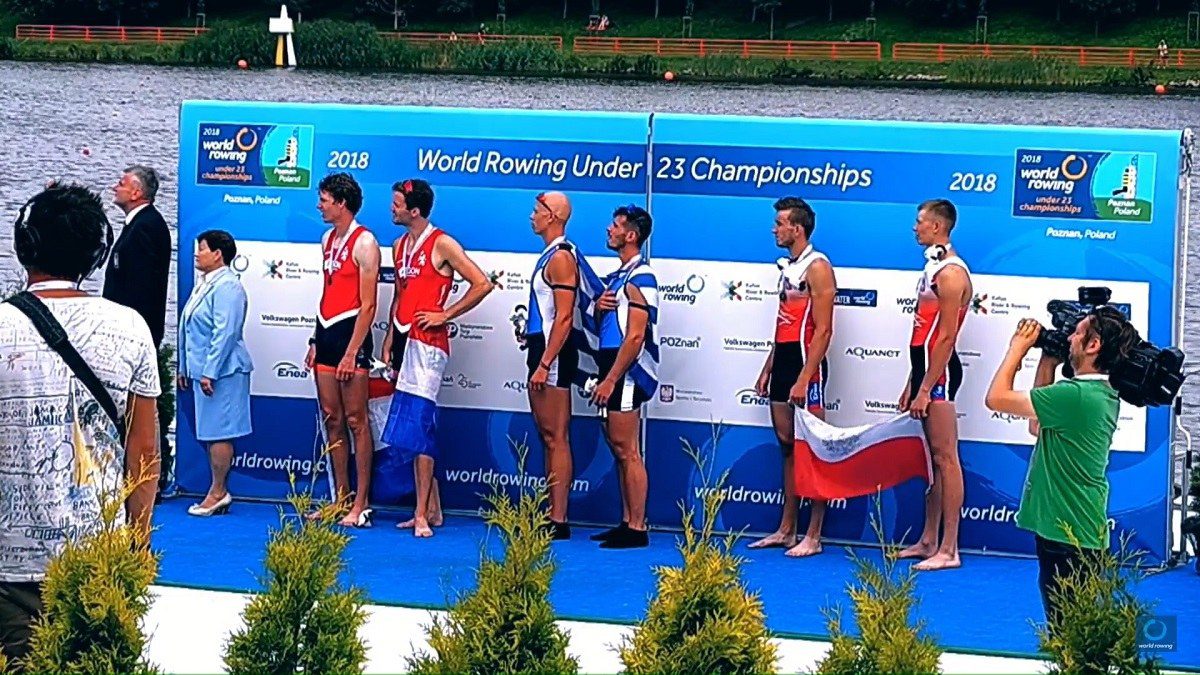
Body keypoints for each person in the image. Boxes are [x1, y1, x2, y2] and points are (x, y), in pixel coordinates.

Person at [0, 183, 160, 667]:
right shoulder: (130, 328)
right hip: (97, 556)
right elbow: (144, 453)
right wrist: (138, 544)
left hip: (9, 567)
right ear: (97, 254)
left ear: (23, 246)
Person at [984, 309, 1137, 625]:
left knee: (1069, 630)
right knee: (1070, 624)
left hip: (1069, 532)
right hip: (1071, 528)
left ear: (1093, 345)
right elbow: (1037, 426)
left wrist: (1017, 348)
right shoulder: (1095, 393)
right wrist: (1048, 362)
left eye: (1077, 333)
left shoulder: (1076, 396)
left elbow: (996, 398)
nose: (1069, 338)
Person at [380, 179, 493, 538]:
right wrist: (389, 337)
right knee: (412, 425)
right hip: (404, 336)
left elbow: (482, 283)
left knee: (420, 424)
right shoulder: (399, 246)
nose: (392, 208)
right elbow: (400, 295)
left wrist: (445, 314)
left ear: (415, 210)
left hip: (428, 345)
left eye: (397, 203)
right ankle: (433, 508)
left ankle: (421, 514)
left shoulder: (442, 243)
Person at [750, 197, 836, 557]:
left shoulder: (818, 267)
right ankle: (787, 529)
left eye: (780, 223)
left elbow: (824, 330)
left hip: (806, 365)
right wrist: (768, 367)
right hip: (784, 361)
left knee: (813, 448)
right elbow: (784, 323)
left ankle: (814, 534)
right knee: (787, 445)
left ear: (797, 229)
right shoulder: (789, 268)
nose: (774, 229)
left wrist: (805, 377)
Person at [895, 198, 972, 572]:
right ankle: (929, 539)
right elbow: (922, 337)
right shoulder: (934, 267)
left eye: (920, 221)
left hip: (939, 375)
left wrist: (926, 388)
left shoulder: (952, 273)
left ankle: (950, 548)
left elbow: (945, 338)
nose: (915, 228)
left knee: (946, 459)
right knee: (933, 461)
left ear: (938, 227)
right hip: (926, 373)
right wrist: (912, 383)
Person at [306, 172, 381, 528]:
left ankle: (361, 503)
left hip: (352, 334)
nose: (319, 206)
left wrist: (352, 352)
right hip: (327, 333)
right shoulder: (327, 239)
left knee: (356, 420)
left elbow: (369, 305)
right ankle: (341, 497)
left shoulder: (365, 242)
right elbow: (328, 290)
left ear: (342, 203)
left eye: (324, 200)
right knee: (331, 417)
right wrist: (314, 339)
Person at [588, 204, 658, 550]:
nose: (609, 230)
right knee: (617, 446)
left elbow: (636, 336)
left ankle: (637, 527)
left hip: (626, 369)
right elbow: (608, 325)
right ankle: (627, 521)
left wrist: (612, 378)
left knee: (628, 448)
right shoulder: (618, 277)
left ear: (631, 235)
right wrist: (598, 309)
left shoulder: (641, 276)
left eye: (615, 226)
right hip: (610, 362)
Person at [102, 165, 172, 496]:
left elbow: (142, 288)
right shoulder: (138, 225)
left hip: (134, 332)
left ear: (137, 192)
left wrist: (130, 332)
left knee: (142, 404)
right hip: (129, 328)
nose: (114, 187)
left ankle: (150, 476)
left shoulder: (146, 228)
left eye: (121, 183)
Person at [178, 230, 253, 517]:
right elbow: (188, 327)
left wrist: (210, 371)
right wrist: (185, 367)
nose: (197, 254)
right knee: (211, 431)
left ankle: (218, 491)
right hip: (203, 372)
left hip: (224, 372)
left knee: (220, 432)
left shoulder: (228, 287)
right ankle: (216, 489)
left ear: (218, 254)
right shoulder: (205, 284)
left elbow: (226, 333)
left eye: (202, 249)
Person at [524, 191, 580, 541]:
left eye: (537, 210)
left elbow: (564, 317)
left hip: (553, 354)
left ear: (553, 216)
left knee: (556, 436)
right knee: (547, 435)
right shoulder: (550, 254)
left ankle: (558, 519)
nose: (532, 216)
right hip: (542, 347)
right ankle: (551, 513)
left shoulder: (560, 257)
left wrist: (545, 362)